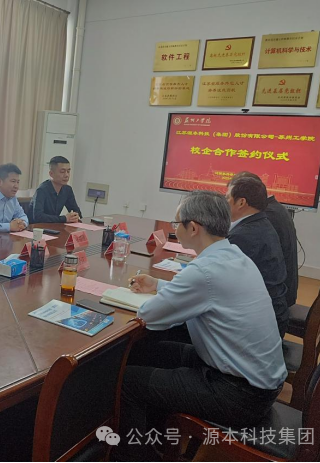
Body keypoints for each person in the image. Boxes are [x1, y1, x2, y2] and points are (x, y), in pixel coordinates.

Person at [116, 191, 286, 461]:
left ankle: (139, 456)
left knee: (129, 382)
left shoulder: (205, 271)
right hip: (254, 379)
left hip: (239, 394)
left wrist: (159, 295)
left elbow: (149, 315)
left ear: (193, 228)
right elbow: (205, 293)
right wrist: (158, 285)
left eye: (176, 223)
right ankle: (159, 441)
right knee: (147, 352)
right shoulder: (234, 255)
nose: (174, 229)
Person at [226, 176, 289, 337]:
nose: (224, 203)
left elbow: (222, 284)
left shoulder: (243, 236)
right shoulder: (260, 223)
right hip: (272, 311)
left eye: (227, 198)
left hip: (260, 324)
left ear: (241, 202)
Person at [229, 171, 299, 308]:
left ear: (242, 200)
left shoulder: (262, 218)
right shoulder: (274, 209)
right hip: (281, 291)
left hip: (274, 301)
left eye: (227, 197)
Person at [29, 156, 82, 223]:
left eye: (68, 171)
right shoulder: (42, 190)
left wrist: (76, 216)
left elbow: (75, 210)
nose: (66, 175)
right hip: (36, 227)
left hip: (54, 226)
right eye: (62, 172)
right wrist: (64, 218)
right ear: (51, 174)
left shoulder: (67, 189)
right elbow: (38, 216)